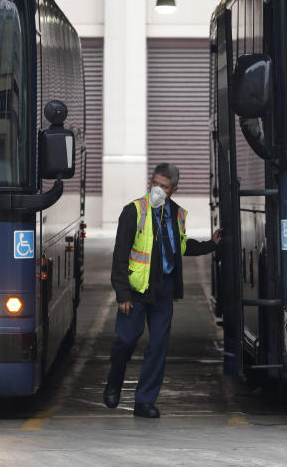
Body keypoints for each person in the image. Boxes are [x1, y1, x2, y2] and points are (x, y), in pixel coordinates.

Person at [104, 163, 222, 418]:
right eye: (155, 184)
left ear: (174, 190)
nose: (158, 190)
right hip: (136, 290)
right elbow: (120, 254)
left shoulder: (177, 214)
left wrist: (210, 245)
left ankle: (144, 401)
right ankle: (114, 380)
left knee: (158, 345)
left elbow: (179, 246)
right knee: (126, 339)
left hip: (163, 290)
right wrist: (122, 293)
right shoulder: (134, 210)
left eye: (164, 187)